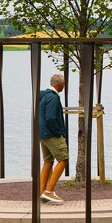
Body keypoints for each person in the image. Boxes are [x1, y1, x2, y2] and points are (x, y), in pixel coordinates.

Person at [38, 73, 68, 204]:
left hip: (42, 134)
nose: (64, 86)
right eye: (64, 84)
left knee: (48, 162)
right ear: (59, 84)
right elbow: (51, 117)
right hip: (51, 135)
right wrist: (58, 132)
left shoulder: (42, 96)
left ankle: (42, 192)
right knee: (63, 159)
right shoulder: (53, 98)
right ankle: (49, 191)